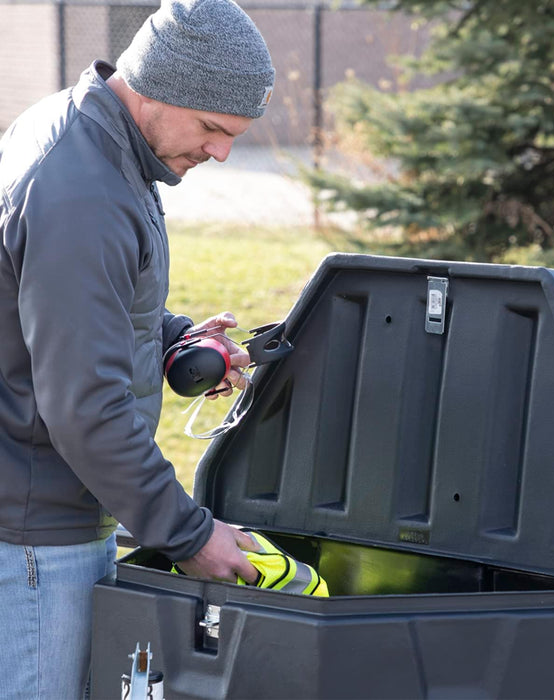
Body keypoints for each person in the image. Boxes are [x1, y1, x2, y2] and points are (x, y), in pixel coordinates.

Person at [0, 0, 275, 695]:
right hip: (36, 534)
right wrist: (187, 533)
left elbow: (77, 305)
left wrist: (175, 335)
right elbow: (85, 407)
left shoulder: (100, 140)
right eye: (213, 129)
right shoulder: (82, 188)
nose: (221, 151)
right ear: (159, 86)